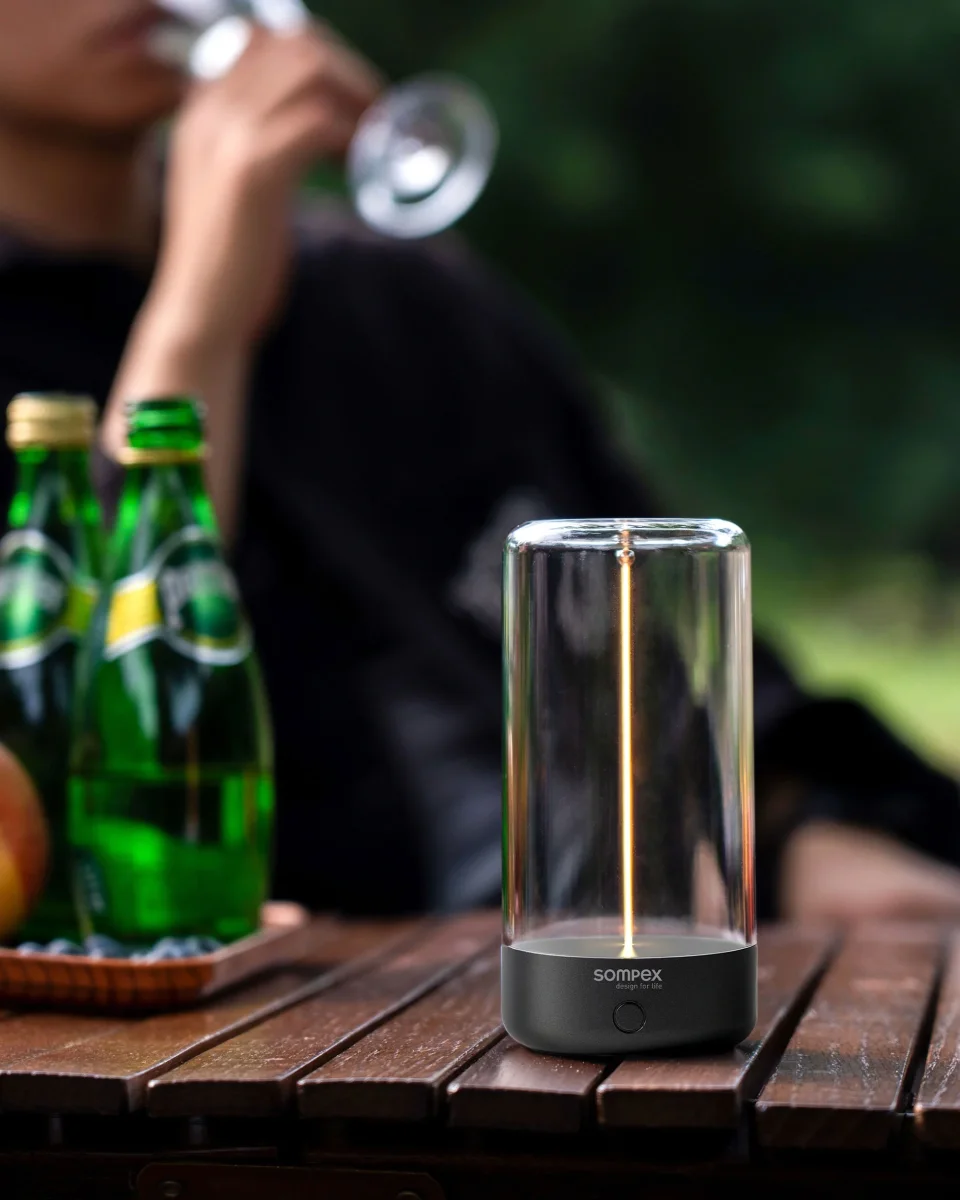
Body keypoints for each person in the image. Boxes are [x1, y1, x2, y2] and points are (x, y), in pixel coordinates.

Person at [0, 0, 957, 922]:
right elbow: (59, 744)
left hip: (591, 961)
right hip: (267, 1005)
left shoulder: (397, 303)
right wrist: (201, 312)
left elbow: (654, 635)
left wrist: (798, 831)